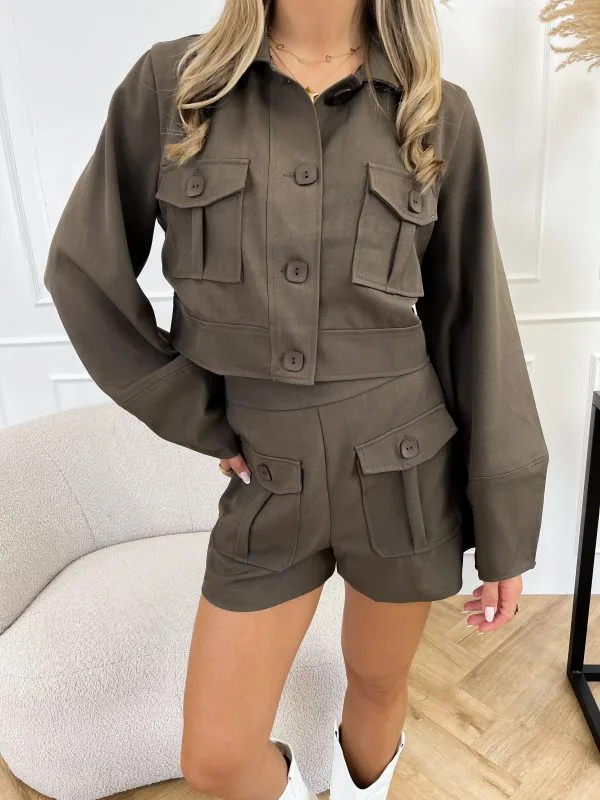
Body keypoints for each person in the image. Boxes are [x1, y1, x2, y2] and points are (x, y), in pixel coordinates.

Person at [43, 0, 550, 797]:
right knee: (215, 758)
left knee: (376, 685)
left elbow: (475, 319)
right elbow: (83, 274)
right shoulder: (175, 87)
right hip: (267, 476)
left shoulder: (434, 111)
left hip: (405, 470)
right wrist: (201, 417)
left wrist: (506, 532)